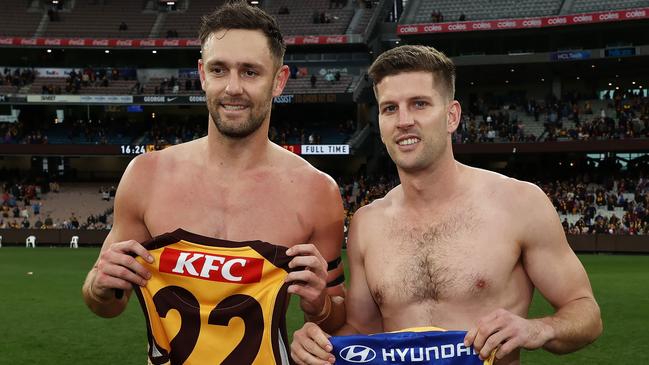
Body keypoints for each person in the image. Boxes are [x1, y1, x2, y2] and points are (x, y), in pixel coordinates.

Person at [291, 45, 602, 364]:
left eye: (420, 104)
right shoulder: (367, 223)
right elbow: (362, 330)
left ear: (452, 115)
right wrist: (318, 345)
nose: (404, 121)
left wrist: (538, 329)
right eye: (389, 109)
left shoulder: (520, 203)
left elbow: (585, 311)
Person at [82, 1, 345, 363]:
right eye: (220, 70)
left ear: (278, 80)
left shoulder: (318, 192)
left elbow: (340, 316)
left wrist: (320, 307)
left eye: (250, 72)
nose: (232, 87)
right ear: (203, 74)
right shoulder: (146, 175)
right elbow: (107, 303)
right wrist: (100, 286)